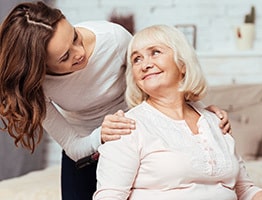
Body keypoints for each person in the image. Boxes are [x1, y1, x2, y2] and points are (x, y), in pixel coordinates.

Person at [0, 2, 231, 200]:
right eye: (65, 57)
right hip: (83, 151)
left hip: (134, 140)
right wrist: (101, 134)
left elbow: (155, 84)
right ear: (40, 68)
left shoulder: (113, 39)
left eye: (75, 37)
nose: (79, 52)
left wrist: (200, 115)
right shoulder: (34, 86)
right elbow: (73, 145)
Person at [93, 24, 262, 200]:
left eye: (155, 52)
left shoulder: (215, 121)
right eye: (136, 59)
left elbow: (243, 190)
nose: (145, 65)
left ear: (182, 63)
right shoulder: (127, 126)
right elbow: (110, 195)